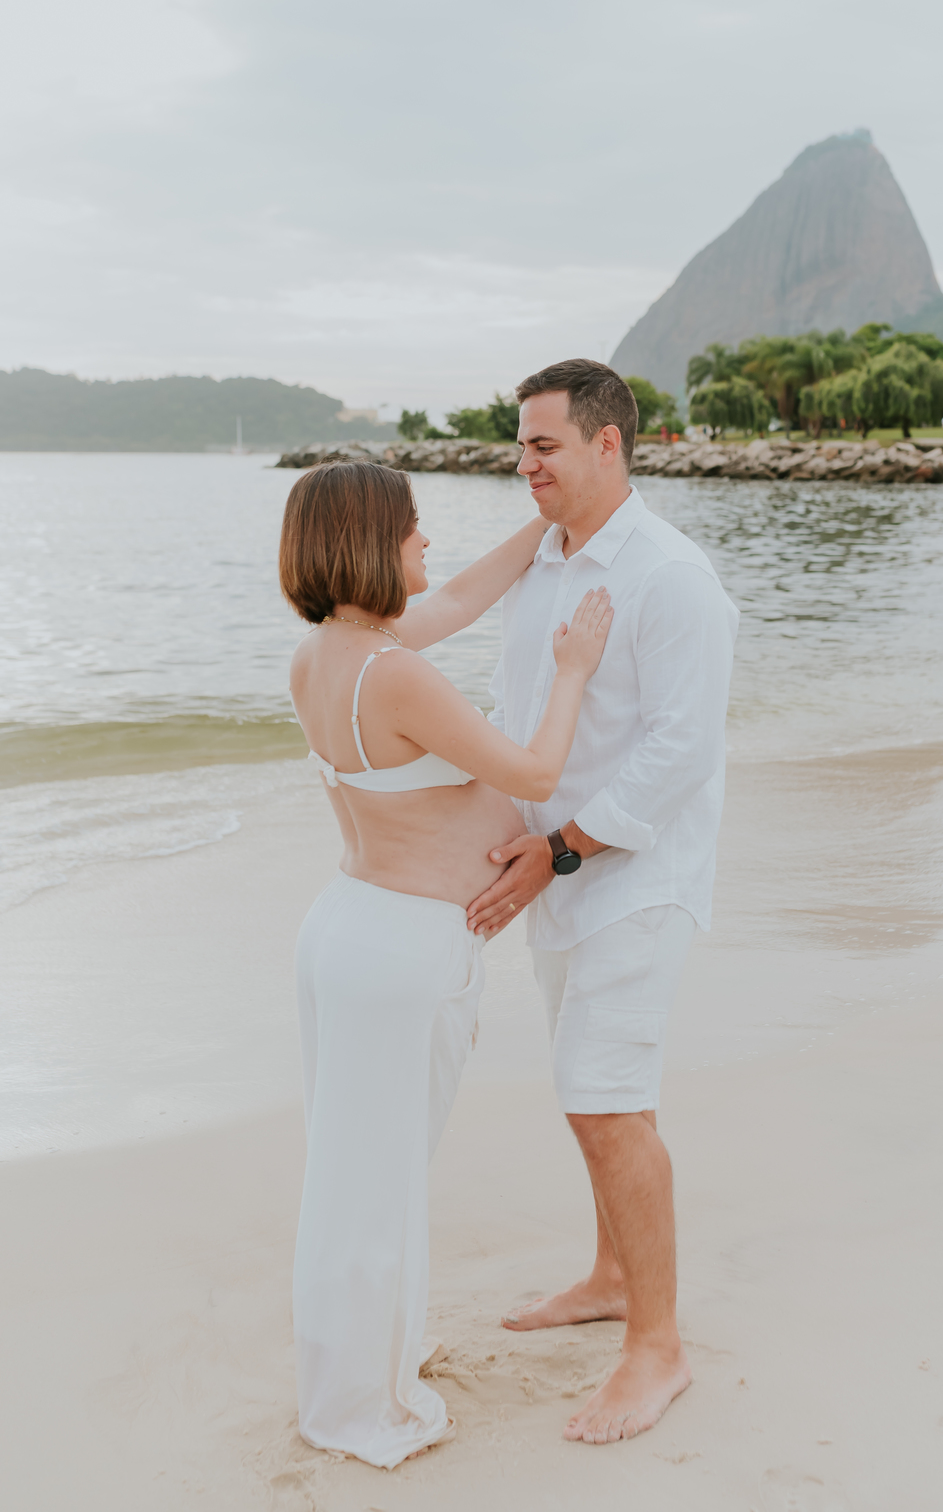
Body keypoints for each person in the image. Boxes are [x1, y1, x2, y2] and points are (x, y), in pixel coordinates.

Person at [280, 459, 613, 1468]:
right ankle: (352, 1403)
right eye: (413, 527)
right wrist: (572, 669)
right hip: (399, 952)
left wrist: (543, 527)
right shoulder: (397, 673)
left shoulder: (334, 654)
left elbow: (465, 594)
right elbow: (537, 771)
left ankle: (361, 1362)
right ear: (367, 543)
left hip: (349, 928)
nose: (428, 542)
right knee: (373, 1180)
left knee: (357, 1171)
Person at [465, 359, 738, 1446]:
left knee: (602, 1098)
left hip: (634, 877)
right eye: (521, 444)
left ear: (607, 445)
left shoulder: (672, 575)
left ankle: (657, 1349)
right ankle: (613, 1276)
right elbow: (519, 711)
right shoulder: (544, 564)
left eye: (543, 445)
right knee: (603, 1087)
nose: (522, 462)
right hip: (559, 874)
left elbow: (682, 750)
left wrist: (562, 851)